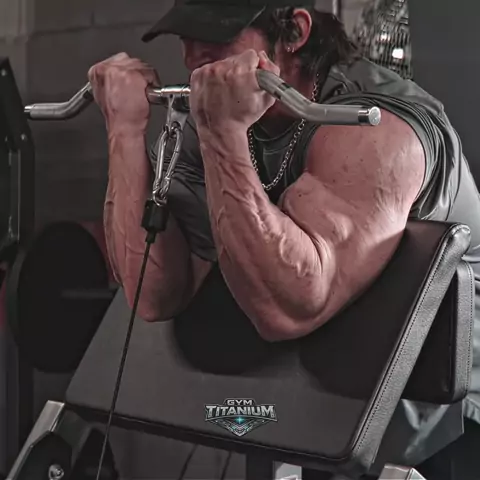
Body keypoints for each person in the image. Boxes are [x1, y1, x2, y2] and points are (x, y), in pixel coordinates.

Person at [87, 0, 480, 478]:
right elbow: (151, 293)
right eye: (185, 38)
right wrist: (124, 132)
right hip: (332, 404)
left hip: (445, 420)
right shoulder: (215, 117)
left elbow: (291, 307)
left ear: (294, 32)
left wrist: (222, 135)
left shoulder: (376, 125)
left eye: (216, 36)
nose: (192, 59)